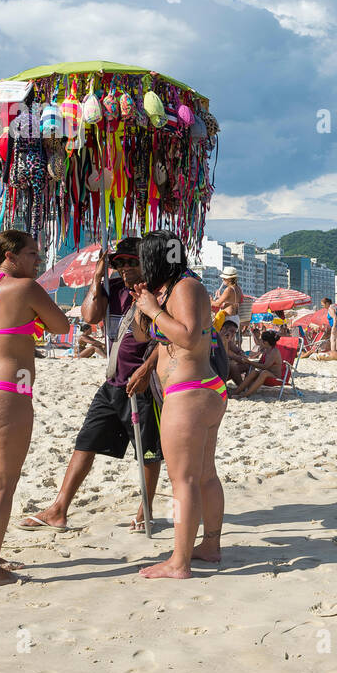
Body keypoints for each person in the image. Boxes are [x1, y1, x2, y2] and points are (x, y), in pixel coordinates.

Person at [16, 238, 163, 534]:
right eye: (119, 263)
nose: (124, 268)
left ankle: (144, 512)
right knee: (86, 442)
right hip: (113, 382)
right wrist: (97, 276)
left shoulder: (159, 290)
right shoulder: (113, 288)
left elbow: (166, 336)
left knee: (148, 452)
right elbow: (89, 316)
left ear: (144, 261)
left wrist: (147, 369)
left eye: (130, 262)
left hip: (145, 384)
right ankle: (59, 509)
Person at [0, 230, 69, 587]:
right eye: (33, 254)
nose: (39, 261)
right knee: (3, 484)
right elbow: (62, 326)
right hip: (9, 390)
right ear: (10, 255)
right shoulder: (25, 289)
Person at [129, 231, 228, 578]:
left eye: (143, 259)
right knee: (202, 475)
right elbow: (149, 336)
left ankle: (179, 561)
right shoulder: (176, 288)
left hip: (189, 391)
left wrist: (154, 310)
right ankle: (210, 546)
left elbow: (186, 335)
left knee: (183, 479)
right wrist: (144, 305)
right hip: (199, 389)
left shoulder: (185, 287)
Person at [233, 329, 286, 396]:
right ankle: (236, 392)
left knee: (264, 373)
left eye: (261, 340)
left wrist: (250, 362)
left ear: (265, 342)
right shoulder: (265, 350)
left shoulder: (274, 352)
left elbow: (265, 366)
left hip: (274, 376)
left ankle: (246, 394)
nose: (260, 341)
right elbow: (260, 362)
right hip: (264, 373)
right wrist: (248, 360)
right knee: (254, 372)